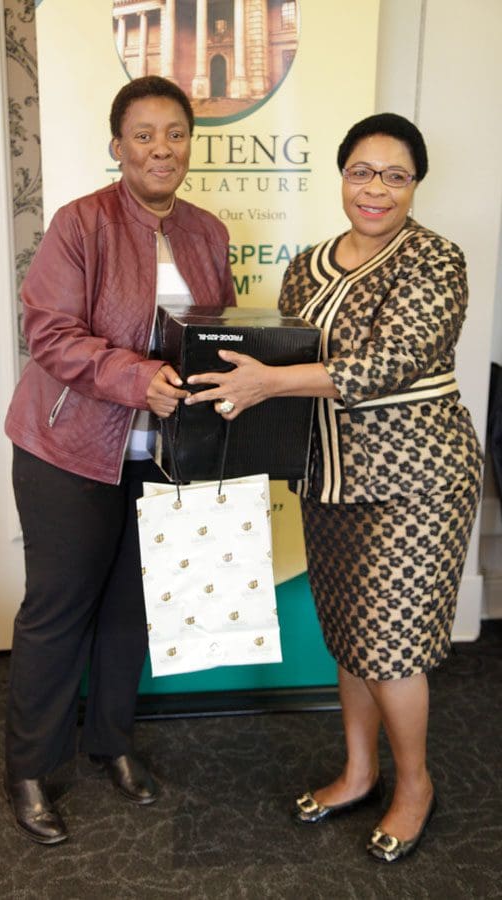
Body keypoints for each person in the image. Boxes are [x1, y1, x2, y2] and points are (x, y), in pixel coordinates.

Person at [185, 113, 482, 863]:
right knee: (349, 633)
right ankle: (358, 770)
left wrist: (267, 383)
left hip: (418, 479)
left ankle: (414, 785)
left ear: (415, 185)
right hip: (329, 476)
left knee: (392, 647)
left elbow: (389, 363)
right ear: (342, 174)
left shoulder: (435, 260)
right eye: (362, 172)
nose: (376, 189)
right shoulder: (307, 266)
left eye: (395, 176)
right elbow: (280, 355)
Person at [3, 75, 235, 844]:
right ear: (118, 145)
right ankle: (30, 768)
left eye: (175, 133)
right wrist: (138, 380)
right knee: (58, 610)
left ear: (189, 144)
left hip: (161, 456)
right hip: (68, 451)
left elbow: (217, 336)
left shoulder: (208, 232)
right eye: (143, 134)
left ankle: (112, 742)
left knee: (132, 607)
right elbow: (49, 332)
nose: (161, 149)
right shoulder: (81, 223)